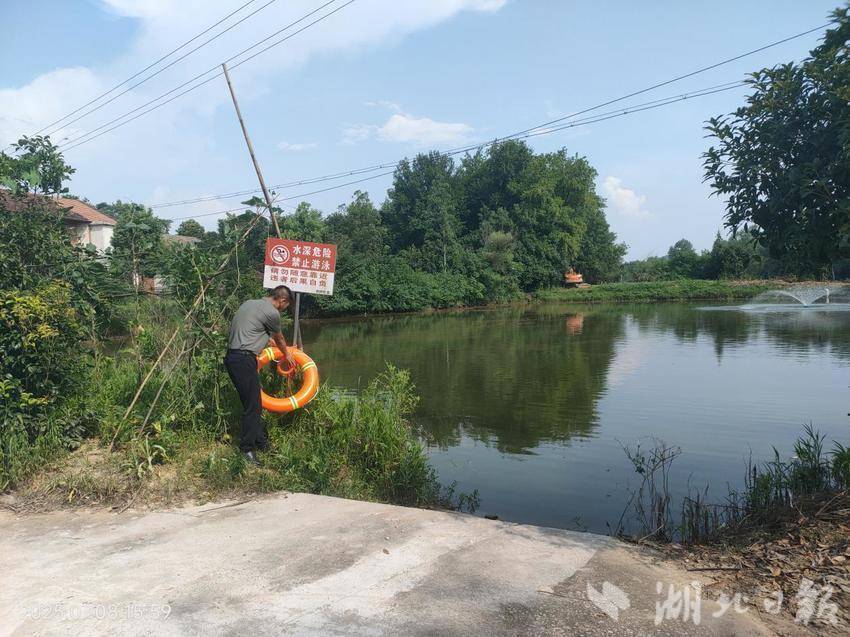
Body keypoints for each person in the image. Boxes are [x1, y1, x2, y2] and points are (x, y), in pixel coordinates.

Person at [224, 285, 296, 463]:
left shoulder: (250, 303)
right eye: (286, 306)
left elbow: (249, 330)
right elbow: (280, 338)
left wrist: (265, 339)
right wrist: (287, 354)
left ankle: (261, 443)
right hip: (244, 359)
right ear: (282, 300)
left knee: (252, 403)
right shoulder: (272, 313)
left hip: (232, 358)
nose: (285, 309)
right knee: (253, 406)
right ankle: (247, 450)